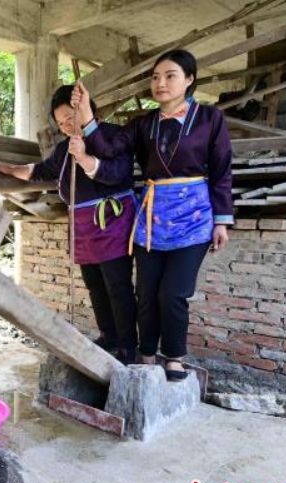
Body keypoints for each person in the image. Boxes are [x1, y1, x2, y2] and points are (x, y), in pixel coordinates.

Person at [71, 49, 233, 380]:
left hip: (194, 218)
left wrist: (221, 220)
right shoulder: (143, 125)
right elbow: (108, 149)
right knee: (145, 293)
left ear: (189, 80)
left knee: (173, 293)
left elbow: (222, 171)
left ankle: (173, 356)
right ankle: (146, 354)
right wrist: (86, 113)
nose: (160, 83)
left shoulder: (209, 119)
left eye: (170, 76)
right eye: (155, 77)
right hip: (152, 219)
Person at [0, 84, 139, 364]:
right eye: (61, 124)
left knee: (117, 285)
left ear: (86, 107)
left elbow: (115, 174)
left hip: (113, 222)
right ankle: (108, 336)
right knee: (94, 284)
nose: (66, 126)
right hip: (85, 226)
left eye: (69, 119)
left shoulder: (113, 136)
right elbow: (41, 171)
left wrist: (84, 156)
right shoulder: (63, 150)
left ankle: (128, 347)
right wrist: (10, 169)